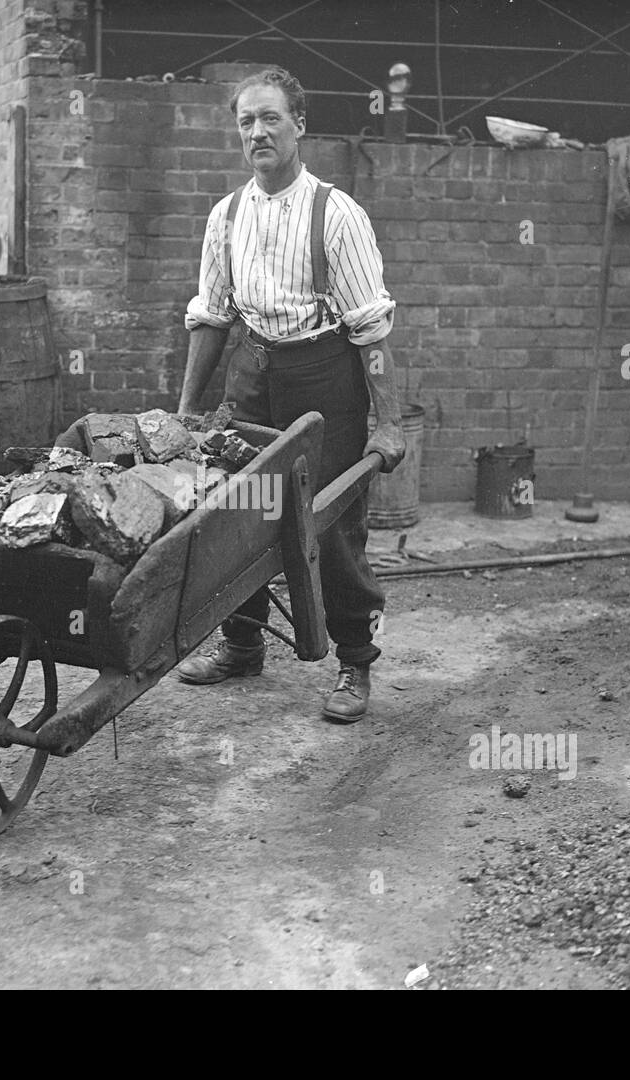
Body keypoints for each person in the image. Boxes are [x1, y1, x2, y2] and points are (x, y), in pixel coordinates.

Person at [175, 66, 405, 724]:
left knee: (327, 525)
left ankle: (355, 660)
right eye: (246, 121)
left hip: (325, 378)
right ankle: (242, 645)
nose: (258, 132)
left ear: (299, 124)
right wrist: (189, 412)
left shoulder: (337, 215)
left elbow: (373, 330)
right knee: (240, 510)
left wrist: (386, 424)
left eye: (271, 118)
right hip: (254, 374)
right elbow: (211, 318)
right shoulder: (225, 217)